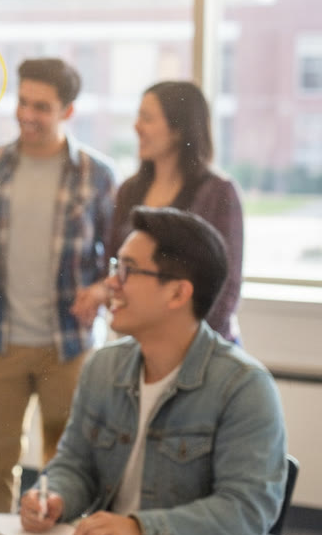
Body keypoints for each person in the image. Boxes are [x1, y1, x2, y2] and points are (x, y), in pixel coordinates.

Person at [20, 207, 286, 535]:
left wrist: (141, 530)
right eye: (117, 266)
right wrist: (54, 495)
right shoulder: (103, 366)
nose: (111, 282)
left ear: (177, 294)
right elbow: (75, 465)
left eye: (127, 270)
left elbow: (247, 508)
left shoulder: (244, 386)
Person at [0, 57, 117, 513]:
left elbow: (120, 257)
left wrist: (101, 290)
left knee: (66, 467)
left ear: (67, 112)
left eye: (42, 107)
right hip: (2, 340)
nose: (27, 115)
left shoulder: (97, 175)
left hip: (69, 346)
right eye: (23, 102)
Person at [102, 81, 244, 343]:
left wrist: (185, 347)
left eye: (146, 118)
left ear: (179, 130)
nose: (136, 126)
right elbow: (112, 265)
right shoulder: (129, 190)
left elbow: (227, 287)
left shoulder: (219, 192)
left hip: (201, 347)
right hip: (138, 342)